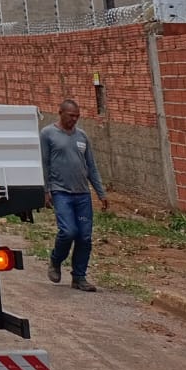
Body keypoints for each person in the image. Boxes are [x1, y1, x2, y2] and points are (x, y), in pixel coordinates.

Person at [40, 97, 109, 292]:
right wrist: (46, 190)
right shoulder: (48, 134)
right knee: (68, 231)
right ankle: (56, 259)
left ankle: (79, 277)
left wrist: (100, 193)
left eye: (77, 117)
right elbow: (44, 164)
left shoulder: (82, 136)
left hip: (82, 194)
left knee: (84, 237)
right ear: (60, 112)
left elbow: (91, 167)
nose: (74, 120)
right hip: (61, 192)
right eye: (71, 116)